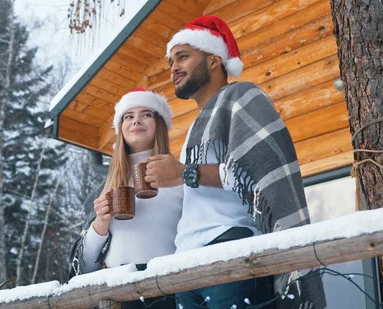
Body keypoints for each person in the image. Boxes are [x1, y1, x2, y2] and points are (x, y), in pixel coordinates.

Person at [145, 16, 326, 309]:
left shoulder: (242, 97)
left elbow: (255, 174)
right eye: (170, 62)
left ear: (214, 60)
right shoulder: (195, 127)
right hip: (186, 258)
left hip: (230, 246)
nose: (174, 68)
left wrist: (183, 172)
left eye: (183, 57)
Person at [68, 88, 183, 309]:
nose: (136, 120)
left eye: (146, 114)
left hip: (168, 287)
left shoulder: (178, 176)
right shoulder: (106, 186)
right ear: (121, 128)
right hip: (117, 291)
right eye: (128, 116)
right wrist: (100, 223)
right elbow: (85, 265)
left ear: (159, 124)